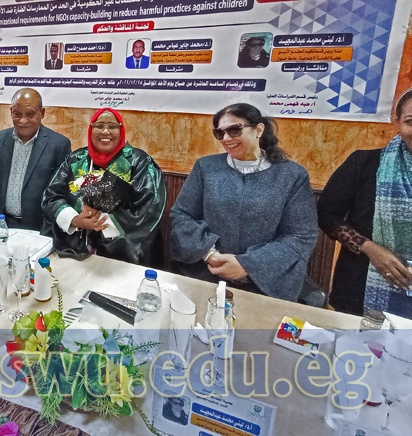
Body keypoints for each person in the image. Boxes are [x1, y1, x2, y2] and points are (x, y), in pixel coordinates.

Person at [170, 103, 318, 302]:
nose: (226, 138)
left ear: (258, 130)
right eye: (220, 133)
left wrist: (248, 265)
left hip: (266, 284)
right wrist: (208, 253)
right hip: (206, 274)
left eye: (234, 130)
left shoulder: (291, 175)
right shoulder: (206, 168)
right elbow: (182, 215)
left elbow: (301, 235)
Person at [318, 89, 412, 317]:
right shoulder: (364, 163)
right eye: (410, 121)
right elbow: (326, 215)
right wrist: (370, 249)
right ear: (397, 122)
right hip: (358, 285)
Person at [42, 108, 165, 264]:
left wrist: (100, 221)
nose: (105, 131)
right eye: (99, 126)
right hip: (74, 250)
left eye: (112, 126)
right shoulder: (75, 159)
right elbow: (52, 196)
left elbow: (150, 207)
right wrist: (75, 219)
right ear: (91, 129)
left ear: (121, 130)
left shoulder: (139, 162)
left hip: (121, 257)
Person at [0, 89, 71, 232]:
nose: (23, 120)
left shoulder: (59, 145)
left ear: (42, 113)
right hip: (1, 224)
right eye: (17, 114)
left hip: (38, 228)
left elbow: (60, 192)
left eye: (30, 114)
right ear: (11, 112)